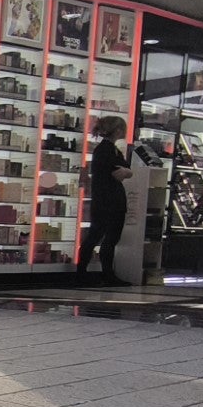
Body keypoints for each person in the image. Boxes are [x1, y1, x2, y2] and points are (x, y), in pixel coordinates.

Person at [75, 114, 133, 287]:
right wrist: (127, 171)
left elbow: (125, 171)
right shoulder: (108, 151)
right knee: (108, 238)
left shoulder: (104, 150)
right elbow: (121, 172)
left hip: (102, 200)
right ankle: (105, 274)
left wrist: (127, 171)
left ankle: (83, 273)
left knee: (96, 236)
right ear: (118, 130)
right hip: (111, 200)